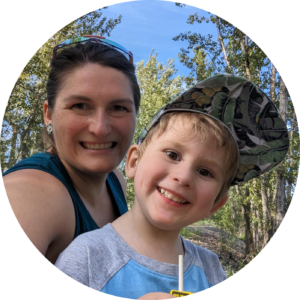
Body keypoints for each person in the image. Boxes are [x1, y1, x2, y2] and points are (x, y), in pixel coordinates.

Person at [54, 74, 289, 298]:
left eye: (205, 171)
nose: (184, 176)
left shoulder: (210, 269)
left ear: (216, 203)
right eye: (172, 154)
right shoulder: (87, 257)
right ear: (134, 162)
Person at [2, 36, 140, 265]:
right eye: (80, 106)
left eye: (118, 107)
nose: (100, 128)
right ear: (49, 114)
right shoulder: (29, 195)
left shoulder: (116, 181)